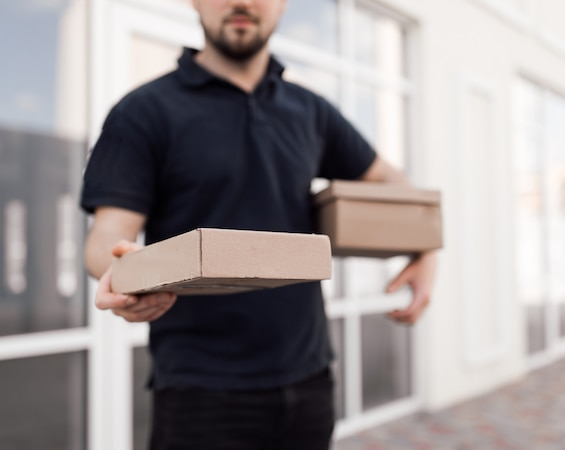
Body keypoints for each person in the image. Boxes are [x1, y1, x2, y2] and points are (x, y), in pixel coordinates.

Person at [81, 0, 438, 448]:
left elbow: (393, 183)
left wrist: (427, 251)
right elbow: (106, 237)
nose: (242, 2)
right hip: (199, 391)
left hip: (309, 379)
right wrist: (126, 273)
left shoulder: (311, 111)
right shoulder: (144, 112)